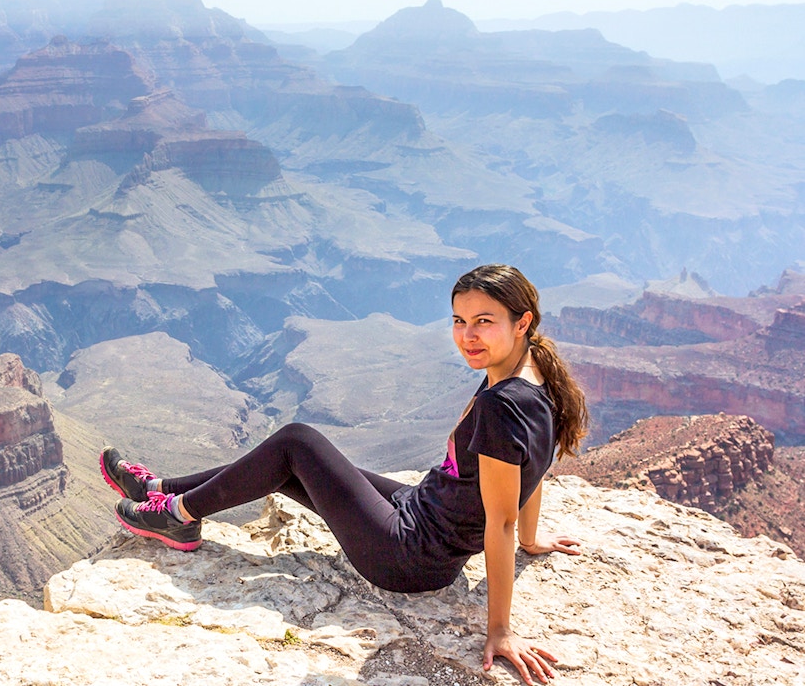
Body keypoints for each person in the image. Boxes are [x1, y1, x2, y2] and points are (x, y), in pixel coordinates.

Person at [99, 263, 588, 685]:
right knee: (291, 463)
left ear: (522, 322)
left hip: (407, 557)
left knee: (297, 440)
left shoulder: (500, 407)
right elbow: (534, 468)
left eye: (484, 322)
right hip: (420, 512)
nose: (468, 336)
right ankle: (159, 490)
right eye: (460, 321)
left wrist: (500, 630)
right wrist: (531, 539)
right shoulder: (529, 373)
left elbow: (499, 516)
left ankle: (179, 516)